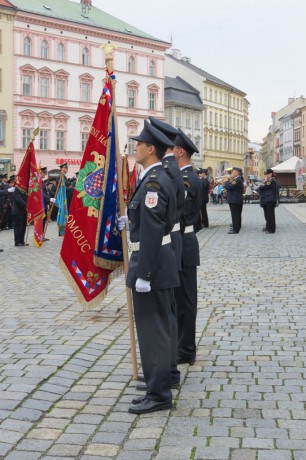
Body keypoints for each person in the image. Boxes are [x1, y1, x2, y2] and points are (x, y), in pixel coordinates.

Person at [118, 120, 179, 415]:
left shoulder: (154, 181)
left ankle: (159, 394)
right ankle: (159, 383)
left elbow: (155, 230)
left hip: (152, 264)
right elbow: (152, 221)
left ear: (150, 149)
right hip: (160, 262)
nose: (135, 148)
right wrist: (131, 223)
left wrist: (144, 275)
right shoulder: (155, 176)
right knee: (160, 327)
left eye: (139, 144)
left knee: (152, 330)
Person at [148, 116, 185, 389]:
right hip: (169, 243)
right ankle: (167, 372)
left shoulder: (167, 170)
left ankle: (165, 373)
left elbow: (168, 212)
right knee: (167, 314)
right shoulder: (171, 168)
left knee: (162, 317)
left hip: (164, 246)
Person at [173, 129, 201, 365]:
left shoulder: (185, 179)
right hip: (187, 241)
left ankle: (185, 349)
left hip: (182, 243)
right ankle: (184, 346)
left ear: (180, 152)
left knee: (184, 300)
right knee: (183, 298)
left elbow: (180, 215)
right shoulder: (192, 176)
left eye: (172, 149)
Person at [224, 167, 244, 234]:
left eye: (233, 172)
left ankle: (236, 229)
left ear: (237, 173)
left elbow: (229, 187)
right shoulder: (237, 179)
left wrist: (226, 181)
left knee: (235, 215)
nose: (232, 173)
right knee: (237, 215)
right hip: (236, 199)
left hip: (235, 200)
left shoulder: (237, 180)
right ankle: (237, 227)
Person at [258, 168, 278, 233]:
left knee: (271, 215)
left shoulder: (272, 181)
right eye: (265, 174)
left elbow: (263, 187)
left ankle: (272, 229)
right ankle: (268, 227)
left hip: (270, 199)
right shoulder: (269, 181)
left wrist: (265, 181)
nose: (266, 175)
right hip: (267, 199)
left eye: (267, 174)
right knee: (268, 215)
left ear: (270, 174)